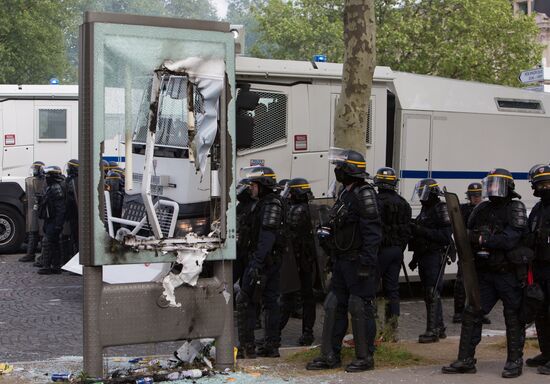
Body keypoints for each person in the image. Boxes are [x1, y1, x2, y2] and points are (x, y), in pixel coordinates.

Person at [442, 168, 527, 378]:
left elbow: (509, 240)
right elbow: (467, 233)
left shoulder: (516, 208)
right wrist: (476, 239)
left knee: (513, 317)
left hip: (508, 274)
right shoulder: (482, 209)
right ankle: (465, 360)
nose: (493, 189)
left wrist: (482, 239)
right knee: (472, 313)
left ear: (509, 186)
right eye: (490, 184)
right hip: (485, 273)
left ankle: (514, 361)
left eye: (497, 184)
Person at [306, 148, 382, 373]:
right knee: (332, 305)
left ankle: (364, 357)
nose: (337, 170)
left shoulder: (364, 193)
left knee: (359, 307)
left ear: (350, 170)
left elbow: (373, 233)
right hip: (341, 262)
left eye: (340, 167)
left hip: (358, 262)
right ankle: (330, 355)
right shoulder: (345, 193)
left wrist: (367, 264)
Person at [236, 166, 283, 359]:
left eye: (254, 185)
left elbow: (267, 237)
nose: (251, 188)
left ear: (263, 185)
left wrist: (256, 264)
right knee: (270, 303)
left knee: (245, 301)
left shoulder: (271, 205)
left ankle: (248, 347)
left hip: (263, 263)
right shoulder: (261, 203)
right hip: (265, 261)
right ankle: (270, 345)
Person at [408, 178, 452, 343]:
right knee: (429, 294)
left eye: (423, 192)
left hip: (435, 256)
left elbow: (445, 236)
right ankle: (438, 327)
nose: (421, 196)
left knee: (432, 292)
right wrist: (415, 258)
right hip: (424, 256)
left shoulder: (440, 208)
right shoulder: (426, 210)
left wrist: (421, 230)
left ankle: (432, 330)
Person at [373, 167, 412, 340]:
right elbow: (407, 231)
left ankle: (373, 327)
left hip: (380, 251)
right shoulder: (404, 203)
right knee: (393, 290)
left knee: (370, 288)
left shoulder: (375, 201)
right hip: (397, 251)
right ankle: (392, 329)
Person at [279, 178, 317, 346]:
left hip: (296, 262)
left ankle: (274, 333)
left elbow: (290, 239)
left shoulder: (296, 211)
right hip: (309, 262)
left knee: (287, 298)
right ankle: (307, 333)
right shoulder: (312, 210)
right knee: (308, 298)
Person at [453, 182, 490, 325]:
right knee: (462, 281)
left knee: (481, 282)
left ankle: (480, 310)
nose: (476, 198)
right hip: (467, 248)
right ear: (469, 197)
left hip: (481, 248)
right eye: (473, 196)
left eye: (478, 195)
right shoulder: (463, 210)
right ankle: (458, 311)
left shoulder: (486, 209)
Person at [525, 164, 550, 374]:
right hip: (540, 267)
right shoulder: (537, 208)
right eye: (540, 184)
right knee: (540, 312)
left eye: (547, 183)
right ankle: (547, 352)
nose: (544, 187)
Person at [37, 166, 66, 275]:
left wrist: (58, 224)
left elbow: (60, 208)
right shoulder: (50, 187)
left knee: (47, 242)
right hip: (50, 220)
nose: (45, 178)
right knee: (54, 243)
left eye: (47, 176)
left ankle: (47, 266)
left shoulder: (56, 188)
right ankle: (56, 266)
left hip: (54, 220)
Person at [19, 161, 46, 263]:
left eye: (36, 169)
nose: (34, 171)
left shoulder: (46, 181)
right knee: (32, 232)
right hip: (33, 210)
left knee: (43, 234)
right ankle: (30, 254)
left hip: (42, 210)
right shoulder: (31, 181)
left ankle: (43, 256)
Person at [62, 159, 79, 261]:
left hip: (74, 214)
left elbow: (72, 200)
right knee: (73, 239)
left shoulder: (73, 181)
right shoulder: (72, 180)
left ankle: (76, 261)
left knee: (76, 239)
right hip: (73, 215)